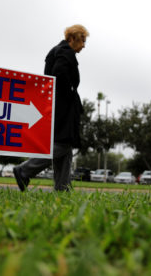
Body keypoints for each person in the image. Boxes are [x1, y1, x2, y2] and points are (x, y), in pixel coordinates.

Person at [13, 24, 89, 192]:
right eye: (82, 40)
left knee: (65, 144)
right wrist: (70, 92)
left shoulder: (56, 50)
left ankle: (63, 188)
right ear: (72, 38)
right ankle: (25, 170)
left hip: (57, 105)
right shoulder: (65, 52)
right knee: (63, 144)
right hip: (63, 107)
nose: (84, 45)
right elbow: (59, 73)